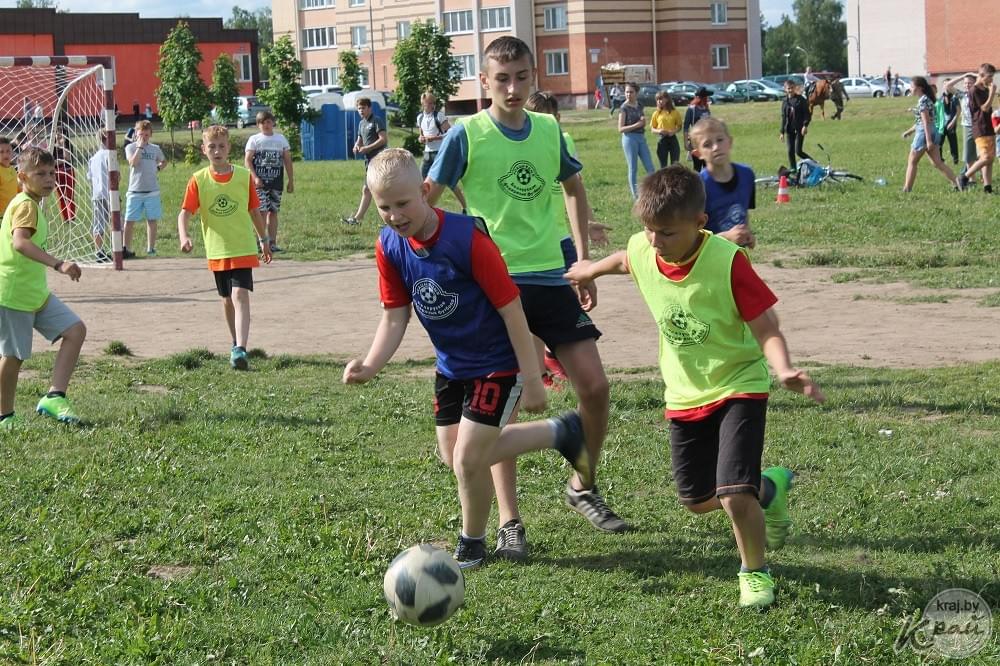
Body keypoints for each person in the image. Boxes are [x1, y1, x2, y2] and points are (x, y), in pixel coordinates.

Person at [564, 165, 825, 608]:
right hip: (684, 393)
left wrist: (783, 369)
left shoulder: (727, 263)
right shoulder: (645, 247)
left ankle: (754, 572)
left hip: (739, 384)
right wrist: (590, 270)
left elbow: (767, 327)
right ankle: (770, 489)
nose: (654, 241)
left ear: (699, 223)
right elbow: (625, 259)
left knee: (733, 495)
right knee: (699, 499)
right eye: (648, 229)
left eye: (665, 232)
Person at [426, 36, 628, 561]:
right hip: (493, 286)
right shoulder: (466, 135)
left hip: (553, 277)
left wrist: (582, 261)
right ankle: (511, 522)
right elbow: (427, 201)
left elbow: (573, 189)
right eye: (501, 79)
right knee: (504, 406)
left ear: (534, 78)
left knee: (596, 386)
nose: (512, 88)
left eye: (521, 77)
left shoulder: (547, 130)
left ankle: (582, 485)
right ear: (484, 83)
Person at [343, 148, 593, 568]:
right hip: (452, 367)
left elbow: (513, 309)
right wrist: (371, 364)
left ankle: (471, 543)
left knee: (467, 459)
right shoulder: (389, 245)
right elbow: (395, 316)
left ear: (426, 191)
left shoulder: (466, 239)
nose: (394, 215)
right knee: (454, 454)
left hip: (499, 363)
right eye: (383, 207)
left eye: (403, 204)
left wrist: (532, 378)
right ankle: (561, 432)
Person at [524, 90, 611, 387]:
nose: (551, 124)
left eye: (555, 118)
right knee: (535, 307)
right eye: (543, 118)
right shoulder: (521, 146)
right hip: (533, 242)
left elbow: (573, 192)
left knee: (574, 299)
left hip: (561, 237)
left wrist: (587, 225)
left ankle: (553, 356)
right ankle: (542, 368)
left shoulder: (565, 142)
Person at [0, 147, 88, 429]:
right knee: (13, 356)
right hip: (15, 294)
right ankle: (5, 416)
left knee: (74, 330)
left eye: (51, 173)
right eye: (40, 174)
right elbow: (20, 243)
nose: (49, 179)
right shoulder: (25, 204)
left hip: (34, 294)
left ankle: (54, 396)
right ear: (22, 176)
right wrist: (58, 264)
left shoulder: (31, 203)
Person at [177, 125, 272, 371]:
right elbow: (184, 213)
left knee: (240, 295)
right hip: (217, 250)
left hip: (242, 246)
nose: (217, 151)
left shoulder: (243, 177)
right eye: (212, 147)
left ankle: (241, 348)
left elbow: (254, 211)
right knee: (227, 300)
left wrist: (264, 240)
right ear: (204, 150)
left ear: (229, 147)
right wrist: (184, 235)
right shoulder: (198, 179)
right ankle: (235, 343)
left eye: (221, 146)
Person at [691, 118, 756, 249]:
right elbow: (691, 237)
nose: (715, 147)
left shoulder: (747, 175)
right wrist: (727, 237)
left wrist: (747, 234)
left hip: (737, 255)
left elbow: (743, 213)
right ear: (698, 154)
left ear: (730, 142)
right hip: (709, 258)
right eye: (707, 144)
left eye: (720, 140)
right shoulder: (697, 186)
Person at [244, 111, 293, 254]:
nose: (266, 125)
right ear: (258, 125)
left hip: (276, 182)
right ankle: (261, 241)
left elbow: (287, 160)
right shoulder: (254, 139)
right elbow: (247, 161)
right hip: (259, 183)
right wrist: (255, 177)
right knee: (262, 211)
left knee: (273, 212)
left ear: (273, 123)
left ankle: (272, 242)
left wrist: (291, 180)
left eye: (268, 122)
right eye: (263, 123)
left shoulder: (281, 139)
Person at [900, 77, 961, 193]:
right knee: (937, 163)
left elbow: (925, 122)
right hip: (934, 130)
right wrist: (910, 131)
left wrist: (928, 141)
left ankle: (907, 189)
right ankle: (958, 183)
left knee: (912, 161)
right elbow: (926, 121)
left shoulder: (922, 101)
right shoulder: (928, 99)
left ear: (919, 88)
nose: (910, 89)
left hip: (925, 133)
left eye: (912, 87)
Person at [416, 91, 467, 209]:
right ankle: (425, 207)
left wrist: (434, 138)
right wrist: (421, 139)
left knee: (450, 182)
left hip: (440, 152)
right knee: (421, 181)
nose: (432, 105)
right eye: (429, 103)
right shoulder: (420, 118)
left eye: (433, 102)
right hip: (427, 153)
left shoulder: (439, 116)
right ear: (423, 104)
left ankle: (465, 206)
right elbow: (420, 135)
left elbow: (450, 133)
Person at [341, 98, 387, 226]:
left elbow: (383, 139)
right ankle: (359, 219)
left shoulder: (376, 121)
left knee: (370, 189)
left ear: (369, 108)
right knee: (370, 190)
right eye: (359, 108)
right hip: (368, 161)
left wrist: (369, 147)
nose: (361, 110)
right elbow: (359, 139)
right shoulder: (361, 124)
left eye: (363, 108)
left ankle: (359, 219)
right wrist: (356, 146)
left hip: (378, 159)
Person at [123, 120, 167, 258]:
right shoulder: (130, 148)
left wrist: (158, 168)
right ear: (136, 134)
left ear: (151, 135)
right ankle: (126, 248)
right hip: (135, 191)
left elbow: (164, 161)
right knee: (129, 221)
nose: (144, 137)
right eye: (141, 134)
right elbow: (133, 163)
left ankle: (151, 249)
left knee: (152, 220)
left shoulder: (155, 148)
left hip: (152, 191)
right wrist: (140, 147)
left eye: (146, 135)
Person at [956, 63, 996, 193]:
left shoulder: (984, 89)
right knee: (985, 158)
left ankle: (987, 187)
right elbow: (984, 108)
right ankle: (964, 177)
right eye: (989, 77)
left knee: (990, 159)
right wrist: (992, 93)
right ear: (982, 75)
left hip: (989, 127)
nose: (991, 80)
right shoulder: (975, 90)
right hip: (980, 128)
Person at [618, 82, 656, 200]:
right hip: (629, 139)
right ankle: (636, 196)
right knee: (633, 168)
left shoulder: (639, 105)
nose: (628, 94)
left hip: (641, 138)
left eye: (631, 92)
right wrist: (637, 124)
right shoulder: (623, 108)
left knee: (650, 167)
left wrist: (643, 121)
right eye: (627, 92)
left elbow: (642, 118)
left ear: (637, 93)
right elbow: (620, 129)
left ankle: (653, 191)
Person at [944, 73, 981, 183]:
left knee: (981, 154)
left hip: (979, 126)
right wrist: (963, 76)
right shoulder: (962, 95)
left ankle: (984, 177)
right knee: (969, 155)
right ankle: (972, 180)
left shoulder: (979, 93)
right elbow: (948, 86)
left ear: (975, 83)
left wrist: (975, 75)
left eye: (970, 83)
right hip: (967, 126)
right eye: (965, 83)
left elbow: (985, 81)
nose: (967, 85)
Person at [87, 130, 114, 263]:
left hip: (96, 195)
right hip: (110, 194)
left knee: (98, 223)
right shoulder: (110, 155)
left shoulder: (93, 158)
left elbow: (90, 177)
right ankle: (118, 249)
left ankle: (99, 251)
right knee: (115, 221)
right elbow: (116, 176)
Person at [779, 80, 812, 173]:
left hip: (799, 129)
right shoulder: (785, 101)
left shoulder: (801, 100)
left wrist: (805, 125)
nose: (790, 90)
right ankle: (793, 169)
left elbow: (807, 114)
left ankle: (813, 163)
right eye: (788, 88)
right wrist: (782, 132)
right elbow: (783, 117)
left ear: (795, 88)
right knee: (790, 151)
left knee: (798, 151)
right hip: (789, 130)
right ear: (785, 89)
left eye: (792, 88)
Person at [50, 124, 76, 223]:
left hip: (68, 171)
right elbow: (52, 162)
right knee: (61, 196)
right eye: (57, 133)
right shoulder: (52, 147)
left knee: (69, 196)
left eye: (61, 133)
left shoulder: (68, 145)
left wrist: (64, 144)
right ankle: (65, 219)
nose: (59, 135)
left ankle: (72, 217)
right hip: (57, 172)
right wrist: (61, 161)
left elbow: (68, 158)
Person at [650, 91, 683, 168]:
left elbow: (679, 126)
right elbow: (652, 128)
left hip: (672, 139)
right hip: (662, 140)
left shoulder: (675, 112)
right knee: (663, 166)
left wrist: (673, 131)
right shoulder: (656, 113)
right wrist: (659, 131)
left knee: (675, 165)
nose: (659, 101)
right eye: (657, 100)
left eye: (661, 99)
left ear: (667, 99)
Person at [683, 88, 712, 171]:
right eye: (706, 97)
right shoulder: (691, 110)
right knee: (697, 167)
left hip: (707, 141)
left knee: (707, 166)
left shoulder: (706, 108)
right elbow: (686, 127)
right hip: (696, 142)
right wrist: (685, 142)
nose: (708, 99)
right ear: (702, 98)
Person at [937, 88, 960, 165]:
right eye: (945, 85)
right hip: (942, 124)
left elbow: (958, 110)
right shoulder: (940, 98)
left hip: (951, 123)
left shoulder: (954, 98)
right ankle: (939, 159)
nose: (946, 87)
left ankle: (955, 159)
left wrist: (953, 122)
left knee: (953, 142)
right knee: (939, 142)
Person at [0, 137, 17, 215]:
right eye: (1, 152)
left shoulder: (13, 170)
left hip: (11, 213)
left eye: (8, 151)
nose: (5, 154)